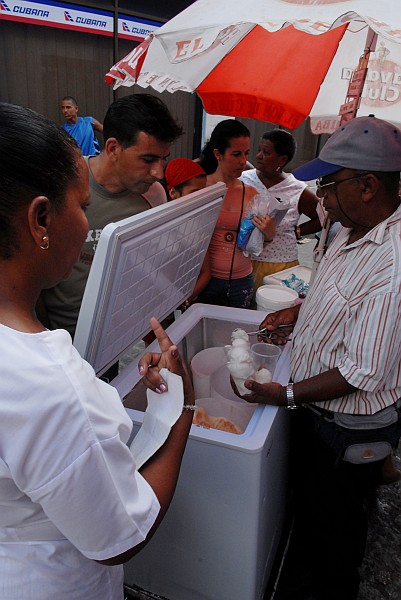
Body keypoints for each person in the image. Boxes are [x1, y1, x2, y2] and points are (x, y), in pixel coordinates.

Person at [0, 101, 196, 600]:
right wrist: (178, 415)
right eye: (82, 207)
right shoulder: (48, 383)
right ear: (41, 218)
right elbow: (116, 538)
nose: (89, 227)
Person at [234, 115, 401, 600]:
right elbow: (336, 295)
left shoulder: (392, 262)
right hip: (318, 416)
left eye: (330, 183)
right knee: (315, 514)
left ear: (368, 185)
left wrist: (284, 394)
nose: (322, 197)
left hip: (348, 427)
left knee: (337, 536)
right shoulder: (348, 229)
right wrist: (297, 310)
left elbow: (361, 371)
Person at [42, 94, 182, 341]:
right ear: (113, 148)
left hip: (119, 335)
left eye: (163, 159)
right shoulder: (61, 182)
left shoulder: (154, 196)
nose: (158, 172)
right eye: (148, 159)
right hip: (58, 336)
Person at [197, 119, 275, 308]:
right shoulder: (199, 189)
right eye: (236, 154)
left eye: (246, 153)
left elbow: (260, 241)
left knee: (238, 334)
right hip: (207, 280)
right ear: (218, 154)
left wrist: (269, 232)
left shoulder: (251, 194)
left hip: (242, 279)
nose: (243, 161)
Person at [240, 129, 321, 289]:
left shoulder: (297, 189)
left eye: (266, 152)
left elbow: (323, 217)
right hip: (243, 262)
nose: (259, 156)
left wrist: (297, 231)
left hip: (280, 266)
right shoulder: (244, 180)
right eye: (258, 151)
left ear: (282, 159)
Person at [165, 158, 210, 304]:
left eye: (204, 192)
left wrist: (185, 300)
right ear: (173, 193)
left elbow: (207, 272)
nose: (201, 198)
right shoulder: (159, 227)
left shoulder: (201, 225)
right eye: (195, 192)